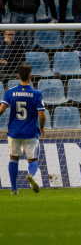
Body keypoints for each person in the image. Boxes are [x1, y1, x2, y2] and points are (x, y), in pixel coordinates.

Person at [0, 63, 46, 195]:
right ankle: (30, 175)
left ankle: (14, 189)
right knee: (33, 160)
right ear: (30, 76)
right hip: (30, 133)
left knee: (13, 158)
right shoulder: (36, 94)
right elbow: (42, 115)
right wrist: (42, 128)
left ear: (18, 76)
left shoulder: (10, 92)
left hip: (14, 132)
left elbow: (1, 110)